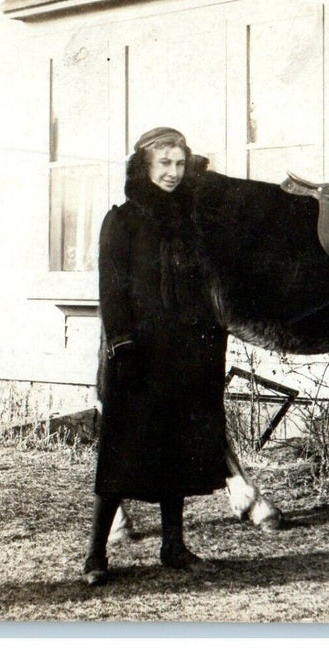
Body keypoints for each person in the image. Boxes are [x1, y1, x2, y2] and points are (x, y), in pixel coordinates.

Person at [82, 127, 229, 586]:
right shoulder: (121, 221)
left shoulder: (190, 222)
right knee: (119, 454)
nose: (172, 173)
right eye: (164, 163)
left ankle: (173, 545)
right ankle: (95, 555)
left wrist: (209, 346)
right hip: (137, 355)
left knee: (177, 450)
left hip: (184, 353)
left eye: (180, 164)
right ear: (145, 165)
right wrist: (121, 343)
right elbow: (112, 290)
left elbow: (205, 289)